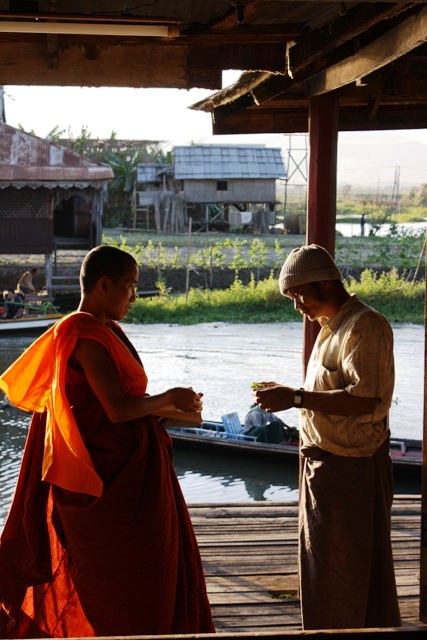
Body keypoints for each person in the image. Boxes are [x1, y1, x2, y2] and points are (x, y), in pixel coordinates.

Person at [0, 245, 214, 638]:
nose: (134, 296)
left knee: (153, 569)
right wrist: (168, 397)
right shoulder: (82, 335)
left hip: (136, 468)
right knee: (129, 578)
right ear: (103, 284)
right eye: (130, 287)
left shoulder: (107, 329)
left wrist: (179, 409)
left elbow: (125, 406)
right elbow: (116, 410)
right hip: (109, 481)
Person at [253, 243, 400, 630]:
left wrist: (296, 397)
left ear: (323, 284)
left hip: (351, 468)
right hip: (325, 465)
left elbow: (366, 398)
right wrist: (291, 395)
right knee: (326, 569)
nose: (297, 305)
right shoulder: (329, 326)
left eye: (299, 294)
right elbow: (330, 392)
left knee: (348, 569)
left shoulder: (366, 325)